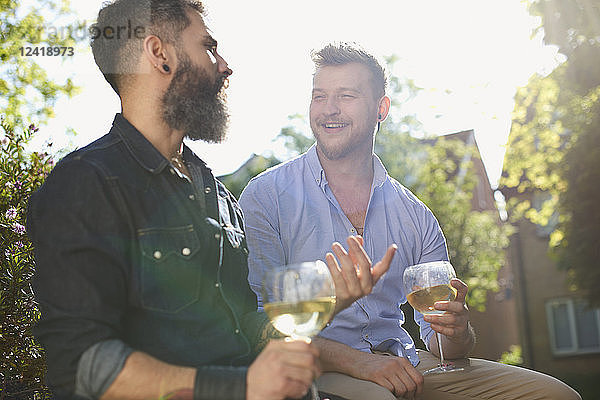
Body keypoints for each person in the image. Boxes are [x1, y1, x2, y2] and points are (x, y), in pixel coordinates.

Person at [26, 3, 397, 399]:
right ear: (159, 54)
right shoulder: (87, 181)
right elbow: (82, 365)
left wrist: (327, 302)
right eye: (208, 47)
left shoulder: (216, 192)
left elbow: (243, 330)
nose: (224, 65)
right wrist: (240, 387)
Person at [239, 43, 582, 400]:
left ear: (381, 109)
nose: (329, 110)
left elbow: (445, 346)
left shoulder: (414, 214)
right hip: (314, 368)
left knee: (556, 395)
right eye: (319, 96)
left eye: (346, 95)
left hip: (407, 363)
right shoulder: (266, 197)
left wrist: (456, 330)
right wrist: (359, 362)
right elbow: (256, 326)